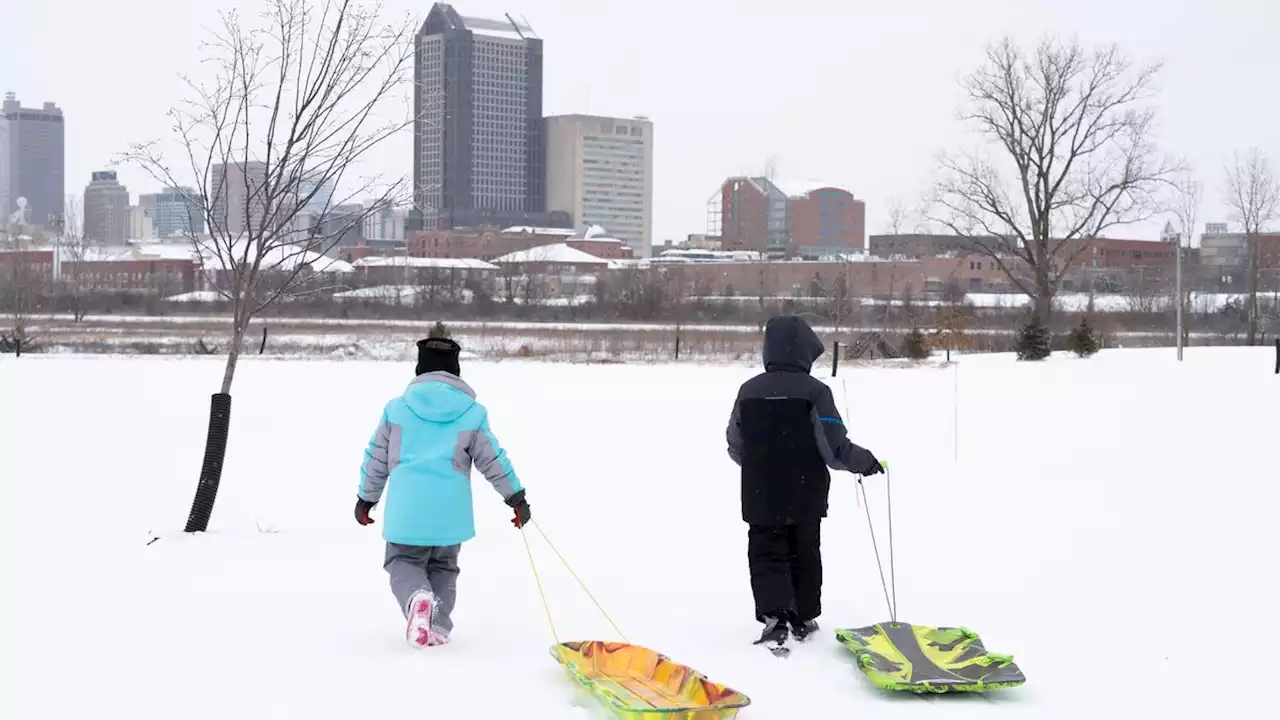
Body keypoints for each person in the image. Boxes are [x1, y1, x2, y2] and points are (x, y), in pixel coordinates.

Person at [354, 335, 532, 649]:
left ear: (419, 369)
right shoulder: (472, 413)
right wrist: (515, 498)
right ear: (456, 371)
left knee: (403, 561)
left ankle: (417, 600)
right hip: (451, 515)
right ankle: (436, 626)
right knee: (443, 567)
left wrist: (366, 499)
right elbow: (492, 458)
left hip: (407, 511)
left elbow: (376, 457)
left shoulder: (397, 410)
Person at [725, 315, 882, 651]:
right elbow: (834, 447)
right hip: (805, 491)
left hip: (760, 492)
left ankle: (774, 618)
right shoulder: (815, 392)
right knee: (804, 551)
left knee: (766, 553)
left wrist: (761, 467)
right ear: (803, 351)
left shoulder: (748, 391)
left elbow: (735, 443)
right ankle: (803, 617)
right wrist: (865, 462)